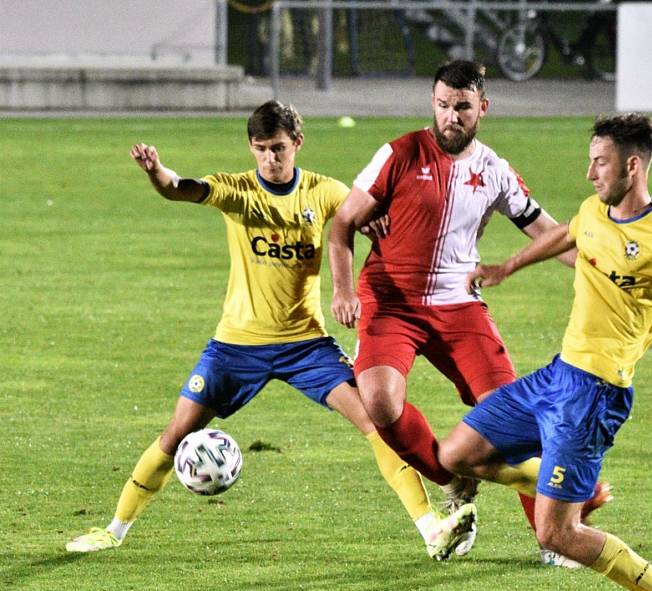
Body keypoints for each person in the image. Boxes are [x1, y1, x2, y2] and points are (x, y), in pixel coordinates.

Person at [65, 100, 476, 561]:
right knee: (178, 431)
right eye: (260, 149)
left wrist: (375, 217)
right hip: (236, 345)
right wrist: (156, 172)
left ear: (297, 143)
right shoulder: (236, 190)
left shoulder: (323, 192)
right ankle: (114, 529)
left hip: (307, 345)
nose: (270, 159)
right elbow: (180, 188)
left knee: (376, 422)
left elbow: (361, 213)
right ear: (252, 148)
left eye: (278, 148)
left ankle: (431, 529)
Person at [437, 113, 652, 591]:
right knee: (456, 454)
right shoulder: (597, 211)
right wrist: (508, 266)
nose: (590, 173)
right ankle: (570, 489)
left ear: (632, 166)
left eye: (600, 162)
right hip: (556, 376)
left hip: (596, 394)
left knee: (556, 535)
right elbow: (569, 233)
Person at [327, 60, 610, 561]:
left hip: (460, 307)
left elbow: (545, 231)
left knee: (514, 418)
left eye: (461, 107)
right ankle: (453, 477)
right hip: (392, 302)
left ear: (483, 106)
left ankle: (554, 539)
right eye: (442, 105)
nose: (450, 116)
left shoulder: (494, 170)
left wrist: (596, 263)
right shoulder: (398, 153)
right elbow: (343, 222)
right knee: (380, 403)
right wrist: (344, 291)